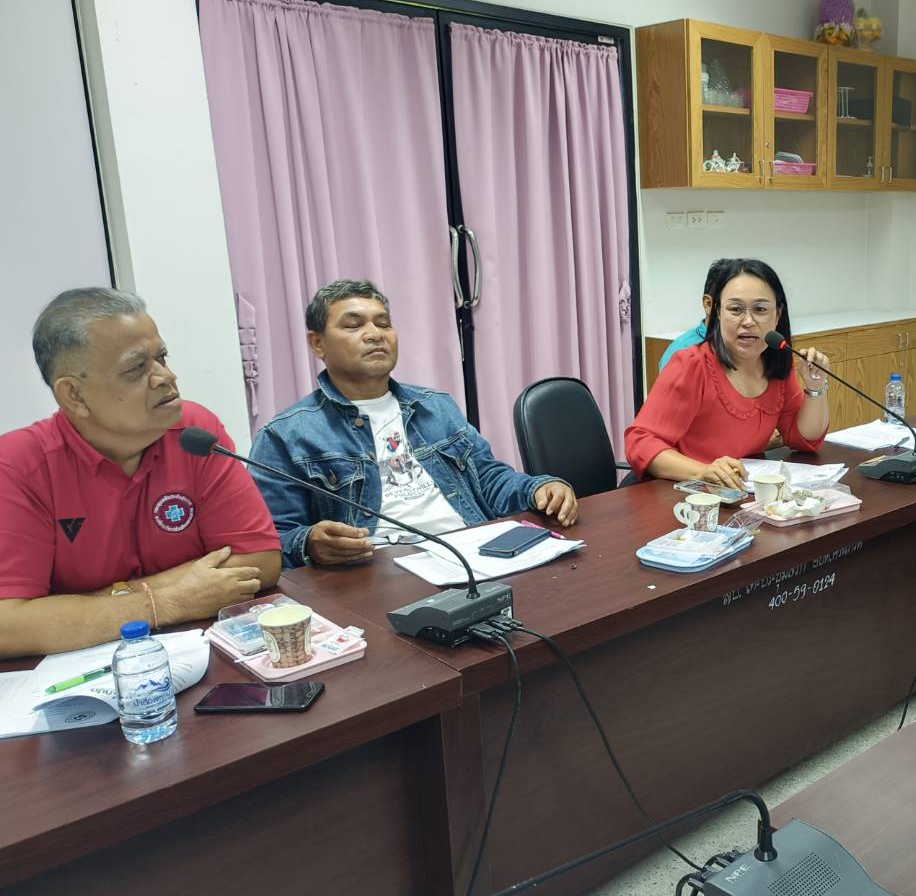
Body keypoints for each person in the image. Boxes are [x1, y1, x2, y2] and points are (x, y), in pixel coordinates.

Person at [0, 288, 282, 658]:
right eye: (136, 368)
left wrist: (91, 606)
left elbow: (260, 560)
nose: (166, 376)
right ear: (74, 395)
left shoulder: (194, 432)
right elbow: (9, 624)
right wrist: (164, 603)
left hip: (204, 655)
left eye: (161, 357)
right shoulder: (18, 464)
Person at [250, 280, 578, 569]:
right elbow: (270, 542)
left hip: (472, 554)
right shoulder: (285, 435)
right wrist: (308, 543)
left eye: (383, 323)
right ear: (317, 343)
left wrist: (538, 488)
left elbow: (489, 479)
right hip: (375, 573)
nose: (374, 334)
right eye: (353, 325)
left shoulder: (436, 406)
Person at [624, 258, 829, 488]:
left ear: (778, 315)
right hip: (683, 493)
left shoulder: (777, 364)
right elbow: (640, 442)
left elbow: (803, 439)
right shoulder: (691, 365)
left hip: (741, 492)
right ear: (718, 312)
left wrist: (815, 388)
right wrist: (704, 471)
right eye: (736, 309)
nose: (748, 321)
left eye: (760, 309)